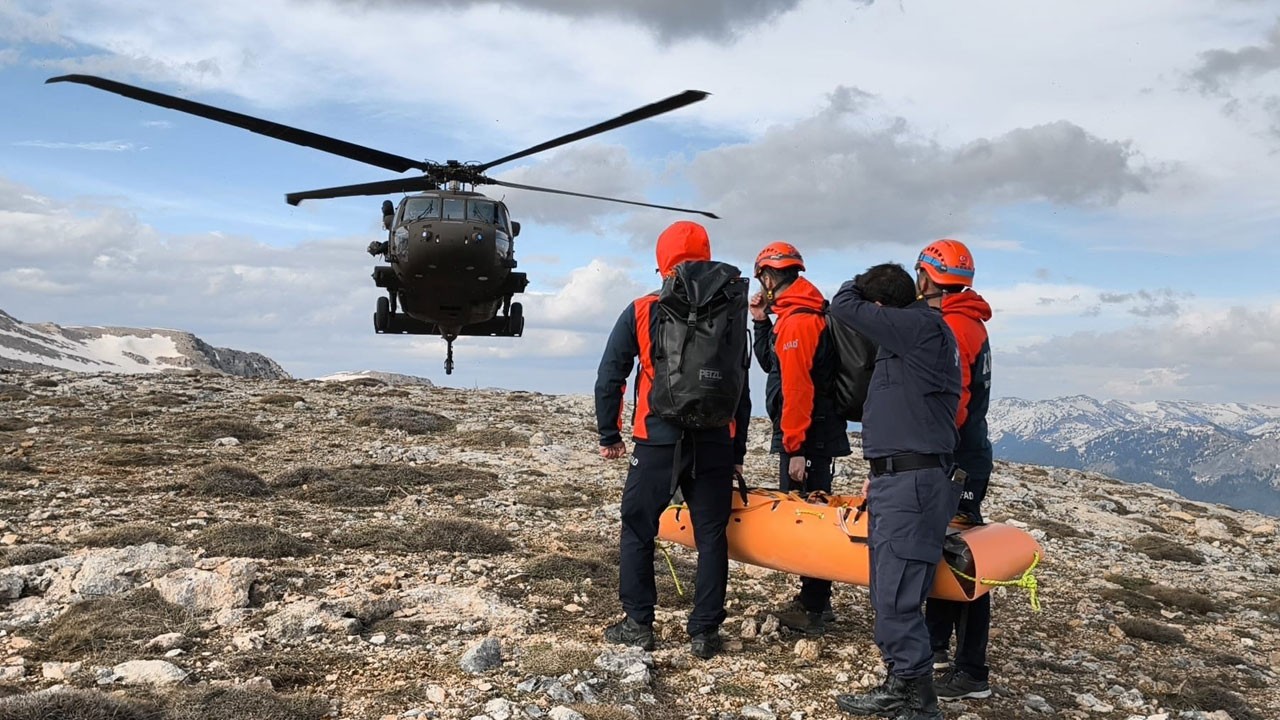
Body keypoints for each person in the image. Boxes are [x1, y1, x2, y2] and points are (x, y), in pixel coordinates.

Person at [594, 220, 751, 660]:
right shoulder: (731, 310)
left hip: (657, 438)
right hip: (716, 440)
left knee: (639, 528)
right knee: (712, 535)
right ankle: (704, 633)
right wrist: (736, 451)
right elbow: (740, 385)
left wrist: (610, 432)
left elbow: (611, 376)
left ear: (662, 260)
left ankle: (639, 623)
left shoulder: (644, 308)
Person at [828, 263, 962, 720]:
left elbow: (843, 305)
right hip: (899, 478)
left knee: (897, 596)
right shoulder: (914, 334)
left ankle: (918, 702)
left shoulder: (919, 326)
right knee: (891, 592)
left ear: (882, 308)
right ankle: (901, 684)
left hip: (912, 485)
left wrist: (855, 284)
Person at [747, 241, 851, 636]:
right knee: (811, 510)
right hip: (811, 435)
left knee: (808, 516)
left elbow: (797, 391)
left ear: (770, 277)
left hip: (808, 437)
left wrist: (794, 448)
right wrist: (760, 322)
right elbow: (773, 366)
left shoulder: (800, 322)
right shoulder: (792, 317)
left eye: (762, 278)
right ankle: (814, 600)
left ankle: (813, 607)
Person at [916, 240, 995, 701]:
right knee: (943, 548)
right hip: (966, 456)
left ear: (927, 277)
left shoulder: (954, 329)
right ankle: (936, 647)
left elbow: (954, 404)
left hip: (956, 459)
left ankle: (972, 671)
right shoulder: (967, 322)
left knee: (963, 557)